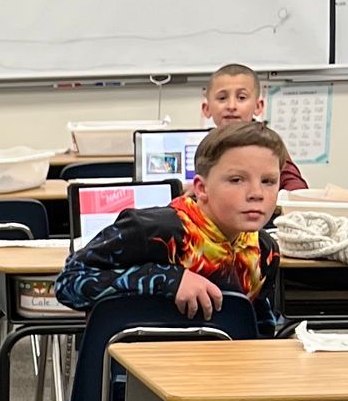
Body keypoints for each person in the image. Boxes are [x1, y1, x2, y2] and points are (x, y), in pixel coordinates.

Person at [55, 120, 285, 332]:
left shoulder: (265, 251)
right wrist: (167, 279)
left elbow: (257, 323)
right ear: (201, 189)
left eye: (269, 181)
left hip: (225, 368)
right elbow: (69, 283)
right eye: (236, 180)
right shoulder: (155, 231)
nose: (256, 193)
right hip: (137, 370)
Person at [201, 62, 306, 188]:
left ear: (258, 106)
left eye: (241, 97)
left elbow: (295, 187)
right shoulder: (208, 145)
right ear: (206, 109)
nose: (231, 106)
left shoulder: (267, 143)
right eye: (222, 98)